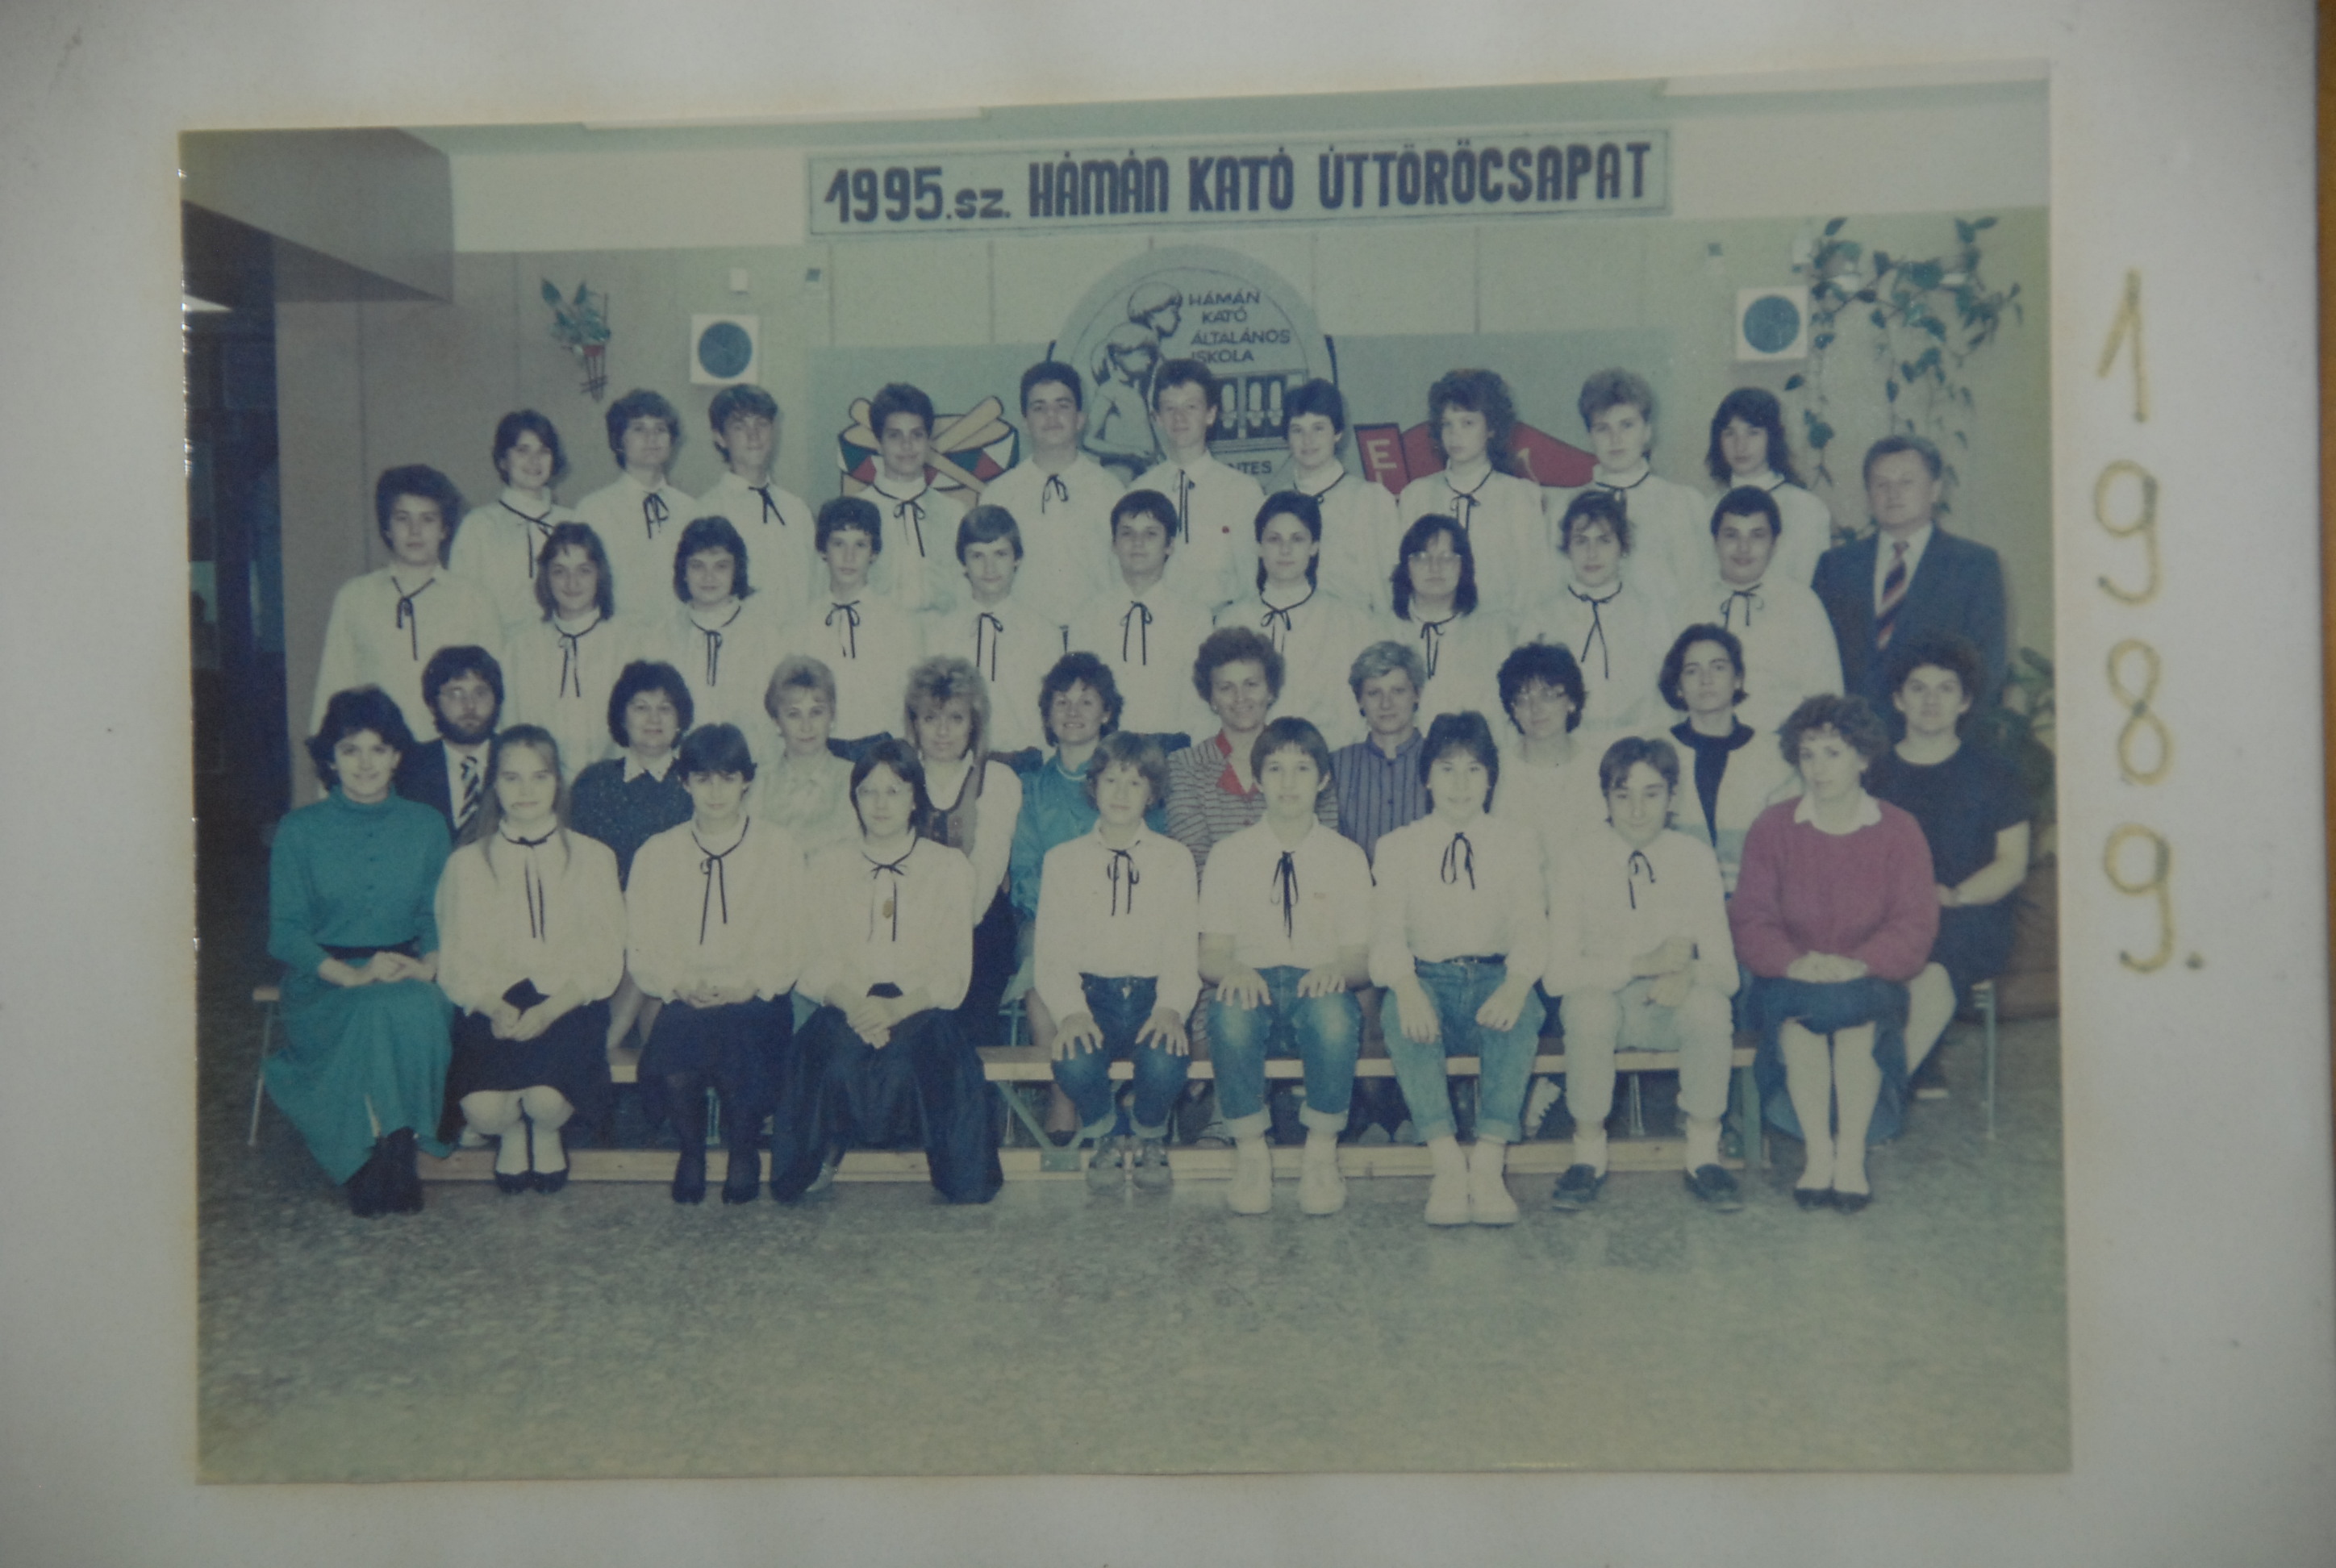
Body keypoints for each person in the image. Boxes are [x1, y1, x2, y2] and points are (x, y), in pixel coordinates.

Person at [1730, 694, 1940, 1211]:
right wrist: (1794, 962)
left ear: (1863, 759)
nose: (1818, 768)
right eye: (1807, 755)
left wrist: (1859, 964)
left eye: (1833, 753)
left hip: (1869, 977)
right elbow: (1751, 916)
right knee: (1801, 1020)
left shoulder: (1899, 830)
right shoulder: (1773, 827)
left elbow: (1914, 922)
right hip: (1791, 977)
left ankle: (1850, 1156)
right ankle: (1818, 1155)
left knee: (1856, 1021)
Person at [265, 687, 454, 1216]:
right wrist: (349, 975)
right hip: (325, 979)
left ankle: (397, 1145)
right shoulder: (299, 830)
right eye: (351, 750)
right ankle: (370, 1154)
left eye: (378, 749)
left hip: (403, 968)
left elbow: (437, 915)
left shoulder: (426, 825)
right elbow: (285, 932)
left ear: (397, 757)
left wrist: (427, 965)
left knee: (416, 1005)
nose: (366, 764)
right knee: (372, 1010)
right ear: (330, 759)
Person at [796, 740, 1001, 1205]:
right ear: (854, 800)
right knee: (835, 1056)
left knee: (914, 1057)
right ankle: (824, 1153)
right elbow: (812, 961)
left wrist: (895, 1009)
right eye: (868, 791)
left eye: (894, 790)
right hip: (848, 1002)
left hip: (919, 1005)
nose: (881, 803)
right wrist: (856, 1005)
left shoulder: (949, 868)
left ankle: (946, 1164)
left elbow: (953, 973)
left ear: (915, 798)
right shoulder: (826, 865)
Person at [1544, 736, 1743, 1212]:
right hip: (1605, 1005)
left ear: (1672, 797)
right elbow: (1557, 977)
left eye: (1651, 794)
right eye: (1623, 795)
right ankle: (1587, 1155)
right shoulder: (1576, 859)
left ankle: (1703, 1154)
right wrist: (1640, 965)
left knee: (1710, 1006)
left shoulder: (1694, 858)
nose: (1637, 810)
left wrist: (1689, 973)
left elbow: (1727, 973)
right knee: (1588, 1008)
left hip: (1667, 1010)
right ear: (1606, 798)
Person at [1367, 712, 1548, 1225]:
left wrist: (1517, 983)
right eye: (1447, 769)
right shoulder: (1398, 846)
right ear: (1426, 777)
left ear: (1491, 778)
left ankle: (1488, 1164)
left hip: (1494, 977)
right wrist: (1406, 987)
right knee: (1401, 1015)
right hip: (1428, 979)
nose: (1461, 784)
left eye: (1474, 770)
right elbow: (1386, 934)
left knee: (1524, 1012)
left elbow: (1532, 926)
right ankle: (1447, 1164)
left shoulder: (1517, 841)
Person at [624, 723, 814, 1205]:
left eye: (727, 778)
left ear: (746, 780)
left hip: (755, 995)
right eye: (703, 778)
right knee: (679, 1039)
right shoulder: (658, 853)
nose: (715, 791)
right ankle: (691, 1151)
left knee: (743, 1037)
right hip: (687, 992)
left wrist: (753, 984)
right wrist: (679, 984)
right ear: (684, 782)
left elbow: (795, 937)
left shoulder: (778, 848)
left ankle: (743, 1150)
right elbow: (643, 944)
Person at [433, 726, 621, 1195]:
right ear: (494, 785)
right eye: (511, 778)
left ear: (558, 782)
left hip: (567, 1002)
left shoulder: (593, 858)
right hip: (494, 1003)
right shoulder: (466, 864)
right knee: (483, 1112)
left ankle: (545, 1129)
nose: (526, 791)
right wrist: (492, 1006)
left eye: (539, 777)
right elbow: (454, 962)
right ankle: (512, 1131)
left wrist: (549, 1011)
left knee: (545, 1101)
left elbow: (604, 959)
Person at [1199, 717, 1373, 1216]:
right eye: (1275, 768)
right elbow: (1210, 953)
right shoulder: (1229, 854)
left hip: (1317, 987)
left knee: (1335, 1016)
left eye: (1302, 768)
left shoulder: (1347, 857)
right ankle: (1252, 1155)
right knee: (1229, 1016)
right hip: (1251, 983)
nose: (1289, 782)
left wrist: (1338, 971)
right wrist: (1232, 970)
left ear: (1323, 779)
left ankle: (1321, 1155)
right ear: (1258, 779)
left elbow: (1361, 958)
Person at [1865, 635, 2032, 1097]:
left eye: (1946, 688)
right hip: (1885, 913)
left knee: (1935, 965)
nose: (1931, 701)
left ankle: (1879, 1094)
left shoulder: (1996, 774)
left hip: (1968, 914)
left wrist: (1954, 896)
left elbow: (2011, 864)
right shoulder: (1871, 774)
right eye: (1918, 688)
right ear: (1898, 699)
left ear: (1965, 701)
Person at [1032, 731, 1200, 1192]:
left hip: (1152, 996)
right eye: (1111, 780)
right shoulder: (1063, 861)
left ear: (1152, 794)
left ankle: (1149, 1134)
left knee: (1165, 1060)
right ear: (1093, 787)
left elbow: (1182, 949)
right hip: (1092, 997)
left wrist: (1171, 1008)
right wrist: (1071, 1012)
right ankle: (1105, 1132)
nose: (1122, 793)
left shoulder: (1175, 859)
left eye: (1135, 782)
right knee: (1073, 1060)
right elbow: (1052, 952)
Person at [1812, 433, 2009, 717]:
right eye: (1882, 484)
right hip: (1851, 734)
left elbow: (1988, 669)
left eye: (1906, 482)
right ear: (1868, 494)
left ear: (1935, 490)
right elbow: (1813, 659)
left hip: (1936, 734)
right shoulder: (1835, 566)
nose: (1893, 494)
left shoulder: (1974, 565)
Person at [311, 464, 503, 745]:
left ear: (444, 529)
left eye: (428, 519)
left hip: (451, 755)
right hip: (377, 758)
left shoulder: (474, 599)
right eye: (403, 519)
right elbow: (332, 688)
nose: (415, 531)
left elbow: (495, 693)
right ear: (387, 527)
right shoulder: (355, 597)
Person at [568, 659, 696, 1058]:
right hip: (602, 930)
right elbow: (575, 871)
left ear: (680, 719)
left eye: (665, 708)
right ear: (622, 718)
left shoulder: (695, 783)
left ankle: (598, 1052)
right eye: (641, 707)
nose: (654, 719)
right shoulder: (592, 783)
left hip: (676, 934)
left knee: (661, 1032)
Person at [903, 656, 1024, 1049]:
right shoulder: (897, 776)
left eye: (955, 718)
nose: (943, 731)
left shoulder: (998, 780)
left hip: (978, 924)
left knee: (963, 1032)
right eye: (930, 718)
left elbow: (987, 869)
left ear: (974, 724)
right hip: (907, 923)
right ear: (914, 723)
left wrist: (946, 935)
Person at [1166, 627, 1337, 878]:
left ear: (1271, 691)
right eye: (1226, 687)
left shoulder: (1308, 758)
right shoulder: (1184, 766)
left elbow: (1326, 848)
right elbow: (1193, 862)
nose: (1240, 698)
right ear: (1211, 698)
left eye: (1251, 684)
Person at [1213, 491, 1377, 748]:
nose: (1285, 550)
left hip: (1328, 755)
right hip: (1249, 757)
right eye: (1274, 539)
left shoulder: (1348, 620)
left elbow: (1359, 712)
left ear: (1314, 546)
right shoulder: (1232, 620)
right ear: (1258, 547)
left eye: (1297, 539)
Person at [1395, 368, 1554, 623]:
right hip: (1432, 628)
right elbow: (1404, 576)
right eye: (1447, 424)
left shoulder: (1519, 496)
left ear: (1491, 428)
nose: (1455, 435)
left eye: (1468, 423)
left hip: (1502, 630)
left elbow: (1534, 585)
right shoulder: (1417, 495)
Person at [1541, 367, 1709, 606]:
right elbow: (1552, 590)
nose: (1615, 439)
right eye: (1603, 428)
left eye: (1627, 425)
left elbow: (1699, 591)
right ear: (1590, 436)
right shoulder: (1563, 508)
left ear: (1647, 431)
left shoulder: (1682, 503)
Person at [774, 496, 926, 755]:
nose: (849, 557)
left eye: (860, 545)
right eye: (838, 544)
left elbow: (912, 700)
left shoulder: (899, 622)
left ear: (874, 552)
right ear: (823, 550)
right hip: (821, 750)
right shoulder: (800, 626)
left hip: (881, 749)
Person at [979, 361, 1124, 625]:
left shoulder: (1109, 490)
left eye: (1063, 405)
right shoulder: (999, 495)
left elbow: (1122, 574)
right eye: (1039, 407)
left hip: (1095, 633)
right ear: (1025, 422)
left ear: (1080, 418)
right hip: (1023, 636)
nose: (1052, 416)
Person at [1524, 490, 1676, 739]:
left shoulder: (1648, 612)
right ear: (1567, 548)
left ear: (1622, 547)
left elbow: (1666, 697)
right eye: (1581, 541)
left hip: (1638, 742)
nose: (1592, 553)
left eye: (1604, 540)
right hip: (1568, 746)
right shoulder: (1542, 618)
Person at [1659, 623, 1800, 893]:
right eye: (1692, 671)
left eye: (1718, 667)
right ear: (1678, 686)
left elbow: (1790, 853)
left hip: (1754, 903)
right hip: (1672, 900)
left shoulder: (1774, 756)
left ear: (1738, 679)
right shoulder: (1655, 749)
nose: (1706, 679)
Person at [1064, 489, 1214, 740]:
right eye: (1127, 533)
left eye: (1151, 534)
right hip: (1107, 747)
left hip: (1172, 748)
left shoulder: (1194, 617)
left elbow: (1198, 704)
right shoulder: (1089, 615)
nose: (1138, 543)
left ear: (1170, 545)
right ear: (1114, 544)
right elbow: (1081, 697)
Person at [636, 515, 785, 764]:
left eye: (721, 566)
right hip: (678, 770)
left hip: (749, 769)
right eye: (697, 566)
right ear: (683, 572)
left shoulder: (766, 636)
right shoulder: (659, 639)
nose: (709, 577)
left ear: (737, 571)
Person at [1696, 486, 1843, 735]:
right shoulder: (1691, 604)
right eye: (1731, 535)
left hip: (1782, 748)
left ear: (1775, 544)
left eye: (1757, 536)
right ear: (1715, 541)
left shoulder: (1802, 604)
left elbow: (1827, 699)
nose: (1743, 548)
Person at [926, 505, 1063, 755]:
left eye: (1000, 554)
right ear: (963, 562)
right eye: (977, 556)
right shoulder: (941, 634)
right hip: (959, 760)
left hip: (1024, 761)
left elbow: (1055, 713)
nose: (989, 568)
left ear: (1017, 559)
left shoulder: (1043, 633)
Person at [501, 523, 634, 780]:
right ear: (546, 577)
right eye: (560, 571)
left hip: (613, 784)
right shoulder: (520, 647)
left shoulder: (628, 643)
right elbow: (512, 728)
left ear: (600, 574)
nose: (572, 582)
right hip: (539, 785)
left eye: (584, 570)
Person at [1133, 358, 1264, 611]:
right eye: (1169, 408)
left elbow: (1252, 579)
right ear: (1157, 418)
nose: (1179, 418)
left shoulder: (1242, 491)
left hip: (1222, 623)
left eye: (1191, 407)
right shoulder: (1140, 491)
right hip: (1160, 623)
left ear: (1211, 414)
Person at [1276, 378, 1403, 615]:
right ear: (1286, 437)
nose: (1308, 440)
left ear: (1337, 433)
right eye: (1297, 430)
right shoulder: (1273, 503)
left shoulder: (1370, 500)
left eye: (1318, 428)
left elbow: (1388, 588)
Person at [691, 383, 818, 616]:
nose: (754, 436)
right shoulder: (706, 512)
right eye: (740, 427)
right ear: (720, 437)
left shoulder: (796, 510)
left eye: (762, 424)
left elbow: (816, 587)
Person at [450, 411, 582, 635]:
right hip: (498, 647)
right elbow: (462, 605)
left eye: (543, 451)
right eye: (522, 450)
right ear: (503, 460)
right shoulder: (479, 526)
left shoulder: (572, 521)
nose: (534, 461)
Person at [1488, 641, 1608, 881]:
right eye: (1523, 698)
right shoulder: (1495, 769)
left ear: (1572, 701)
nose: (1536, 708)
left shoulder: (1600, 767)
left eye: (1548, 695)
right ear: (1513, 709)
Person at [572, 389, 695, 615]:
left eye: (660, 429)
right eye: (639, 429)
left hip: (680, 631)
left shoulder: (689, 508)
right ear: (619, 440)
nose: (652, 438)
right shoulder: (594, 510)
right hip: (616, 632)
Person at [1385, 514, 1516, 726]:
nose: (1434, 567)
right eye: (1422, 557)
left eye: (1447, 558)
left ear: (1463, 566)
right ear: (1406, 567)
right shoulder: (1382, 630)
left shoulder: (1494, 632)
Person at [1703, 386, 1830, 589]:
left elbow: (1808, 589)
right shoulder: (1706, 508)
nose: (1740, 446)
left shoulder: (1806, 509)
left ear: (1772, 437)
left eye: (1753, 433)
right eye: (1730, 433)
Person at [861, 381, 964, 615]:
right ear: (878, 443)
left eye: (917, 435)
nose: (907, 445)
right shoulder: (858, 511)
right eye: (895, 436)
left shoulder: (954, 513)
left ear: (929, 441)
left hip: (943, 634)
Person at [1329, 640, 1432, 865]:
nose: (1386, 704)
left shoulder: (1441, 761)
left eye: (1398, 691)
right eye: (1374, 693)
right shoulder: (1335, 766)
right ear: (1359, 701)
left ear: (1417, 694)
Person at [393, 644, 505, 837]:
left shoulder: (517, 758)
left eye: (480, 692)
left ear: (497, 699)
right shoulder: (408, 767)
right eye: (455, 693)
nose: (470, 705)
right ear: (432, 703)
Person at [757, 655, 857, 865]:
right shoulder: (758, 783)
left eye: (816, 712)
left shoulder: (856, 779)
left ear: (832, 716)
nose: (806, 726)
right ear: (776, 721)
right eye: (794, 714)